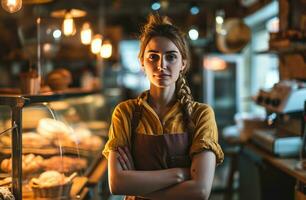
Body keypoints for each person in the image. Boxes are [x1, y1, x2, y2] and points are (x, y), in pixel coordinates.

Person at [103, 14, 224, 200]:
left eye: (171, 57)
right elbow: (117, 183)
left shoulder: (201, 115)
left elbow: (200, 191)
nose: (161, 65)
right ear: (142, 62)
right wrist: (179, 174)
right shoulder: (125, 112)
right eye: (153, 56)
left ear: (183, 63)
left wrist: (137, 185)